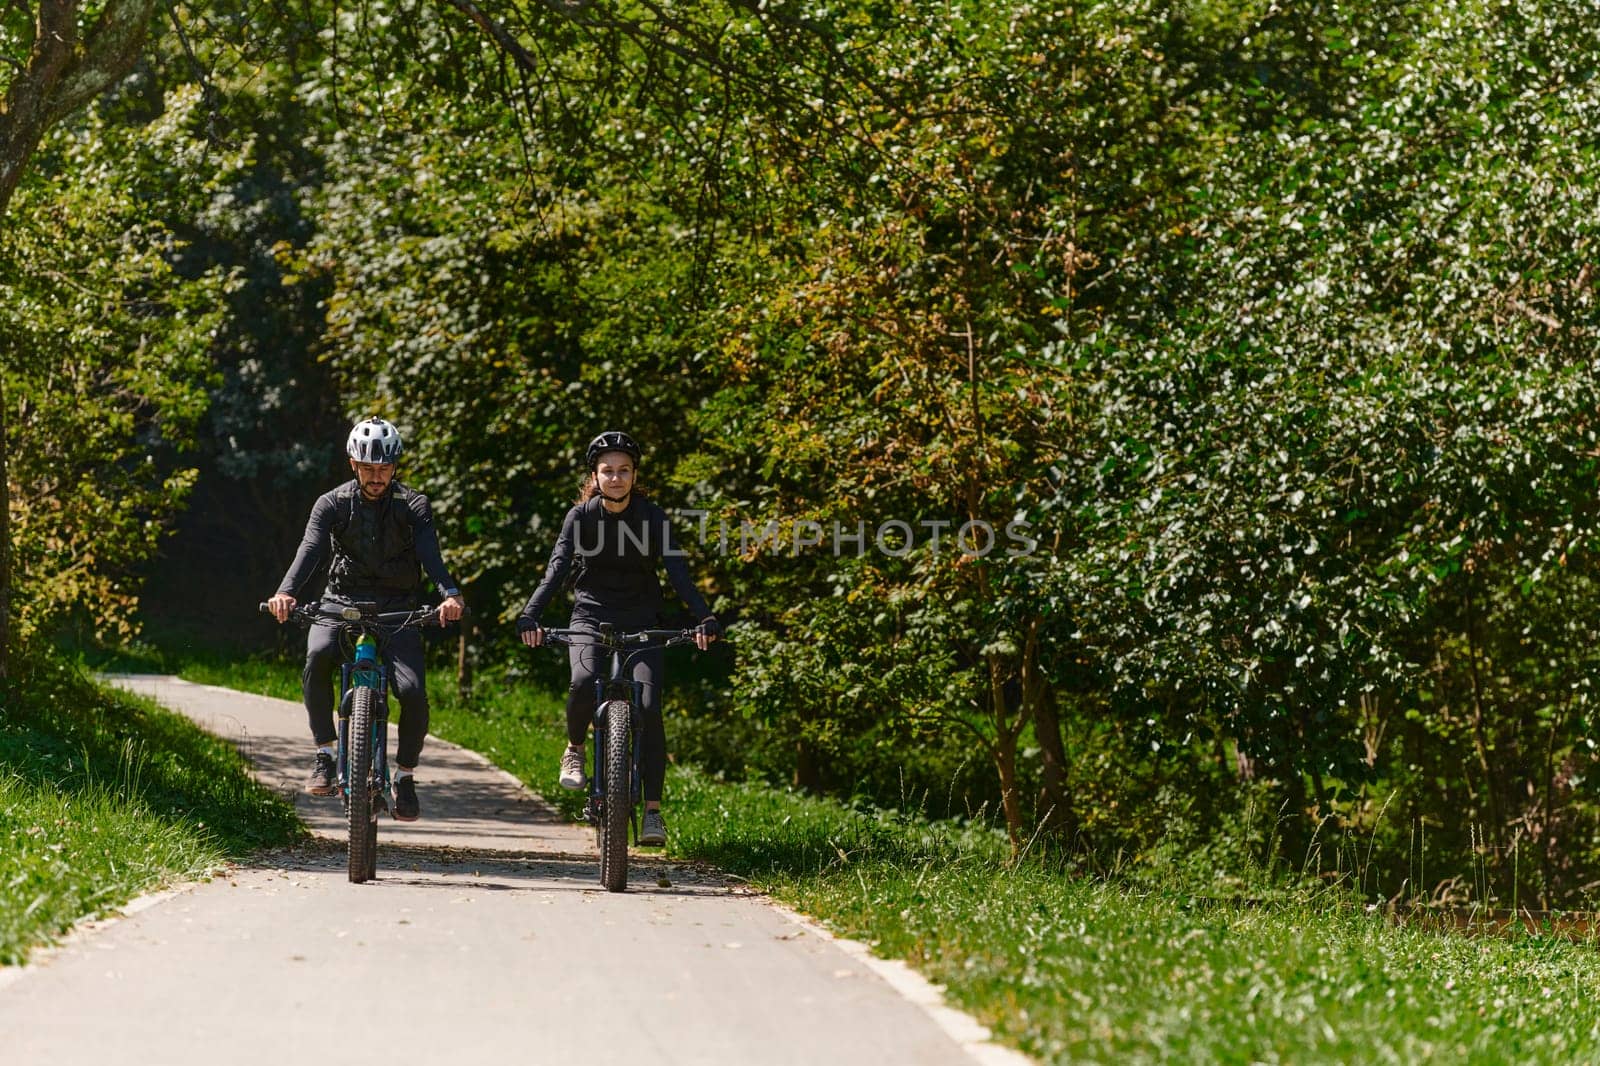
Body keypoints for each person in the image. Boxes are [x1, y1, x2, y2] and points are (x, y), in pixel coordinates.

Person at [516, 430, 720, 846]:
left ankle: (652, 813)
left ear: (634, 475)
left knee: (647, 705)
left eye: (623, 471)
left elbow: (678, 573)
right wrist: (530, 614)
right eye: (607, 471)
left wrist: (704, 617)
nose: (615, 478)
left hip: (643, 617)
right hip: (590, 614)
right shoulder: (581, 518)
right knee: (580, 683)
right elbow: (556, 571)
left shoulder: (652, 517)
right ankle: (574, 749)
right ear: (595, 475)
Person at [266, 416, 465, 821]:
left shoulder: (414, 506)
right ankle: (325, 753)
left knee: (411, 693)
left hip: (398, 607)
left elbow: (431, 556)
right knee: (318, 655)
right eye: (368, 468)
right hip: (342, 600)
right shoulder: (332, 504)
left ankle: (405, 776)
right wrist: (286, 592)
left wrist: (449, 593)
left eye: (384, 468)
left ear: (395, 467)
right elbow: (310, 551)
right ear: (353, 464)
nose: (377, 476)